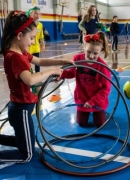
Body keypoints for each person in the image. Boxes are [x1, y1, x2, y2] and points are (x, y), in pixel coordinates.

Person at [0, 11, 73, 164]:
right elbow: (30, 80)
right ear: (19, 35)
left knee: (26, 141)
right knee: (27, 155)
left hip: (21, 109)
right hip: (21, 110)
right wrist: (52, 71)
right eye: (31, 38)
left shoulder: (21, 53)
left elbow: (39, 61)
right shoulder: (15, 57)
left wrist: (61, 62)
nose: (33, 42)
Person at [61, 32, 111, 128]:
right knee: (81, 123)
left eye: (95, 53)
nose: (91, 56)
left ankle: (99, 113)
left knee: (100, 124)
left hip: (98, 101)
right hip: (82, 99)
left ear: (100, 51)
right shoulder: (77, 59)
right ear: (84, 47)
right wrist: (61, 74)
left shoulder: (103, 67)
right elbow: (72, 72)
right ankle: (84, 113)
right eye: (88, 52)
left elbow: (106, 89)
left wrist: (93, 101)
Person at [26, 6, 45, 73]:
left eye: (39, 14)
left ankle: (37, 75)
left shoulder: (40, 25)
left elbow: (41, 36)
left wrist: (43, 44)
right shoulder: (27, 24)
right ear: (31, 13)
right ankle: (29, 76)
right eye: (36, 13)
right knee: (27, 63)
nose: (38, 15)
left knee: (37, 63)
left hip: (36, 46)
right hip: (28, 46)